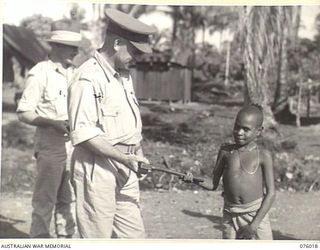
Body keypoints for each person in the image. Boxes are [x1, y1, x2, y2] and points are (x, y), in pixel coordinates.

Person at [67, 8, 156, 238]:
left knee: (134, 238)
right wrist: (124, 158)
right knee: (98, 238)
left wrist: (137, 154)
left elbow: (130, 126)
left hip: (127, 166)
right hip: (98, 168)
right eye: (134, 52)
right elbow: (84, 134)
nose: (136, 59)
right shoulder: (88, 77)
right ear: (117, 43)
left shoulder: (123, 75)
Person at [16, 20, 81, 238]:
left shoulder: (77, 74)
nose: (76, 50)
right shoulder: (40, 73)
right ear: (56, 45)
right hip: (50, 145)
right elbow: (23, 111)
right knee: (45, 200)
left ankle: (65, 240)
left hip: (75, 146)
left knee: (69, 199)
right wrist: (51, 122)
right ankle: (39, 241)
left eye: (76, 46)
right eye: (71, 46)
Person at [183, 104, 276, 240]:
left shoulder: (263, 155)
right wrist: (193, 179)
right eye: (237, 127)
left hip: (256, 216)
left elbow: (271, 193)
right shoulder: (226, 152)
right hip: (230, 214)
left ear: (259, 131)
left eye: (246, 129)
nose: (239, 132)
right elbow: (213, 184)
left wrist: (253, 226)